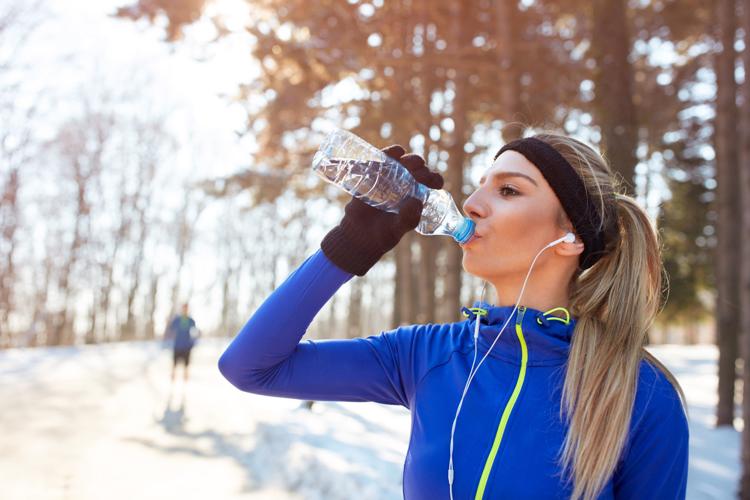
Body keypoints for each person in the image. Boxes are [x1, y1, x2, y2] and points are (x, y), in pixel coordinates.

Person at [218, 134, 689, 499]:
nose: (472, 203)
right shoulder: (426, 355)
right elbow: (251, 367)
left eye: (508, 190)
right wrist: (348, 249)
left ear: (570, 238)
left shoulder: (639, 393)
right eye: (482, 184)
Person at [165, 303, 198, 382]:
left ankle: (185, 387)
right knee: (174, 367)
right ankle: (172, 386)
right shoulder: (177, 319)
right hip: (177, 346)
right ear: (182, 309)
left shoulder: (191, 320)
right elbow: (170, 328)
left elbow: (195, 333)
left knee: (186, 368)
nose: (185, 310)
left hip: (187, 347)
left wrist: (193, 343)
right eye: (184, 308)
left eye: (186, 308)